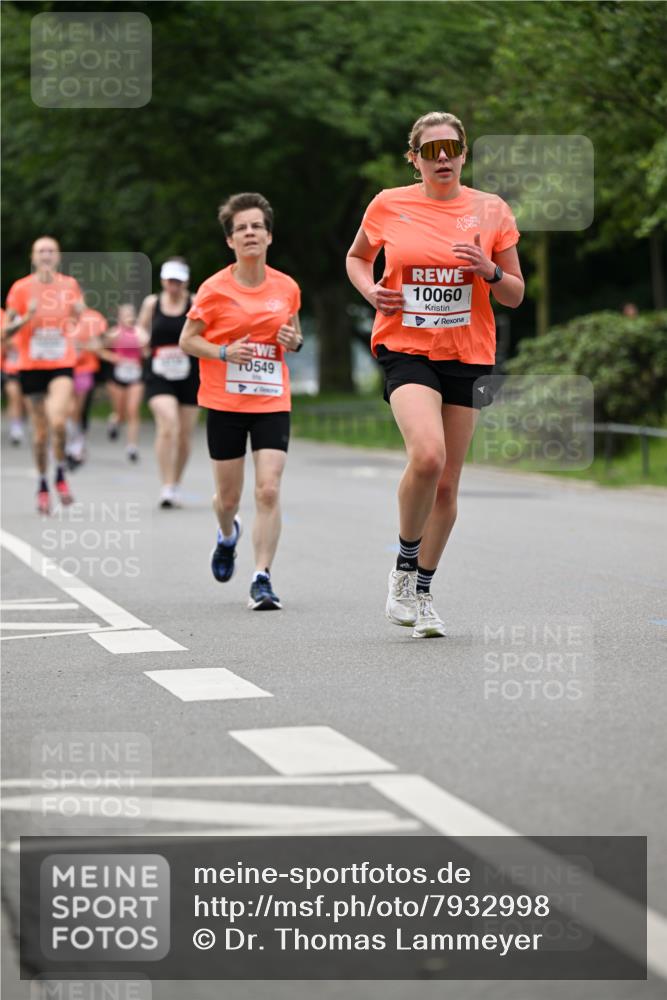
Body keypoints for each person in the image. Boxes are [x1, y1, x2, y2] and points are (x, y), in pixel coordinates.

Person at [346, 111, 524, 638]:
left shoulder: (491, 211)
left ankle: (422, 592)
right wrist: (371, 290)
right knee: (428, 455)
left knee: (447, 487)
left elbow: (515, 291)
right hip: (406, 347)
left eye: (451, 147)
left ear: (465, 153)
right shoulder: (388, 203)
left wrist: (489, 271)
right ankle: (403, 571)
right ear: (415, 158)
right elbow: (357, 259)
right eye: (430, 150)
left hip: (467, 354)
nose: (442, 157)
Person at [179, 192, 303, 610]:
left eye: (257, 226)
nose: (250, 233)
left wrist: (293, 340)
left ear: (269, 236)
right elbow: (187, 340)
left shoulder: (287, 287)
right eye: (241, 228)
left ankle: (262, 577)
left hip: (271, 400)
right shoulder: (214, 289)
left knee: (268, 490)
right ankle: (227, 534)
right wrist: (222, 352)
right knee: (228, 499)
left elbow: (295, 334)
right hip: (225, 403)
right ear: (230, 241)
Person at [5, 236, 85, 513]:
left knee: (59, 422)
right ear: (33, 257)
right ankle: (42, 482)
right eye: (41, 251)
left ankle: (60, 473)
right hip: (30, 368)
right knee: (40, 436)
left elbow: (82, 316)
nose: (46, 255)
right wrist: (27, 318)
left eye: (51, 250)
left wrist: (83, 322)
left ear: (58, 256)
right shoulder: (21, 288)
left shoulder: (69, 285)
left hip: (61, 364)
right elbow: (6, 331)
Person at [138, 259, 199, 507]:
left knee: (184, 435)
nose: (173, 286)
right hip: (159, 373)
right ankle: (165, 485)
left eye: (178, 281)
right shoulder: (152, 303)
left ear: (185, 281)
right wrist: (142, 339)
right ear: (163, 280)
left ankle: (175, 483)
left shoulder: (195, 303)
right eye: (169, 280)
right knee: (168, 425)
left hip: (189, 374)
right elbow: (141, 329)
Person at [100, 303, 147, 462]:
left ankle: (132, 447)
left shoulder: (140, 333)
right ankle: (114, 422)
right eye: (125, 314)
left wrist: (144, 344)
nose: (128, 317)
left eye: (131, 313)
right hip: (118, 376)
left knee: (133, 410)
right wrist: (113, 357)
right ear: (119, 317)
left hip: (136, 375)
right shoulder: (114, 333)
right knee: (120, 413)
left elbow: (147, 350)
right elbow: (100, 350)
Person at [66, 306, 107, 467]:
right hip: (64, 369)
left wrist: (81, 346)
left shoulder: (92, 318)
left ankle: (77, 443)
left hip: (85, 369)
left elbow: (98, 346)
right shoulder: (59, 318)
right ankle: (69, 443)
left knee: (78, 409)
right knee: (67, 409)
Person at [1, 307, 27, 445]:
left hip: (26, 368)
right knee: (13, 395)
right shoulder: (7, 323)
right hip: (10, 367)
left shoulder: (28, 324)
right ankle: (15, 428)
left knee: (23, 400)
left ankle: (19, 422)